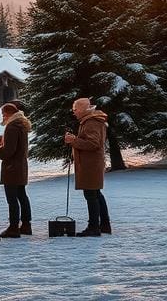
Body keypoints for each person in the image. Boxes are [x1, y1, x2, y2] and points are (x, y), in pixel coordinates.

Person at [64, 97, 111, 237]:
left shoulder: (91, 122)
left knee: (91, 194)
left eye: (75, 109)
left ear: (84, 109)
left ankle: (94, 227)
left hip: (90, 164)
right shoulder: (91, 121)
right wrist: (75, 139)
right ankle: (104, 225)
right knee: (95, 193)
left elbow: (93, 144)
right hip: (91, 163)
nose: (74, 112)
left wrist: (74, 140)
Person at [0, 102, 32, 237]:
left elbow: (9, 151)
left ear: (8, 114)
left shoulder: (12, 127)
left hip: (11, 168)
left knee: (12, 199)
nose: (3, 116)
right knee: (21, 196)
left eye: (3, 113)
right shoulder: (21, 125)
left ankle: (13, 227)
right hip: (20, 166)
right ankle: (26, 224)